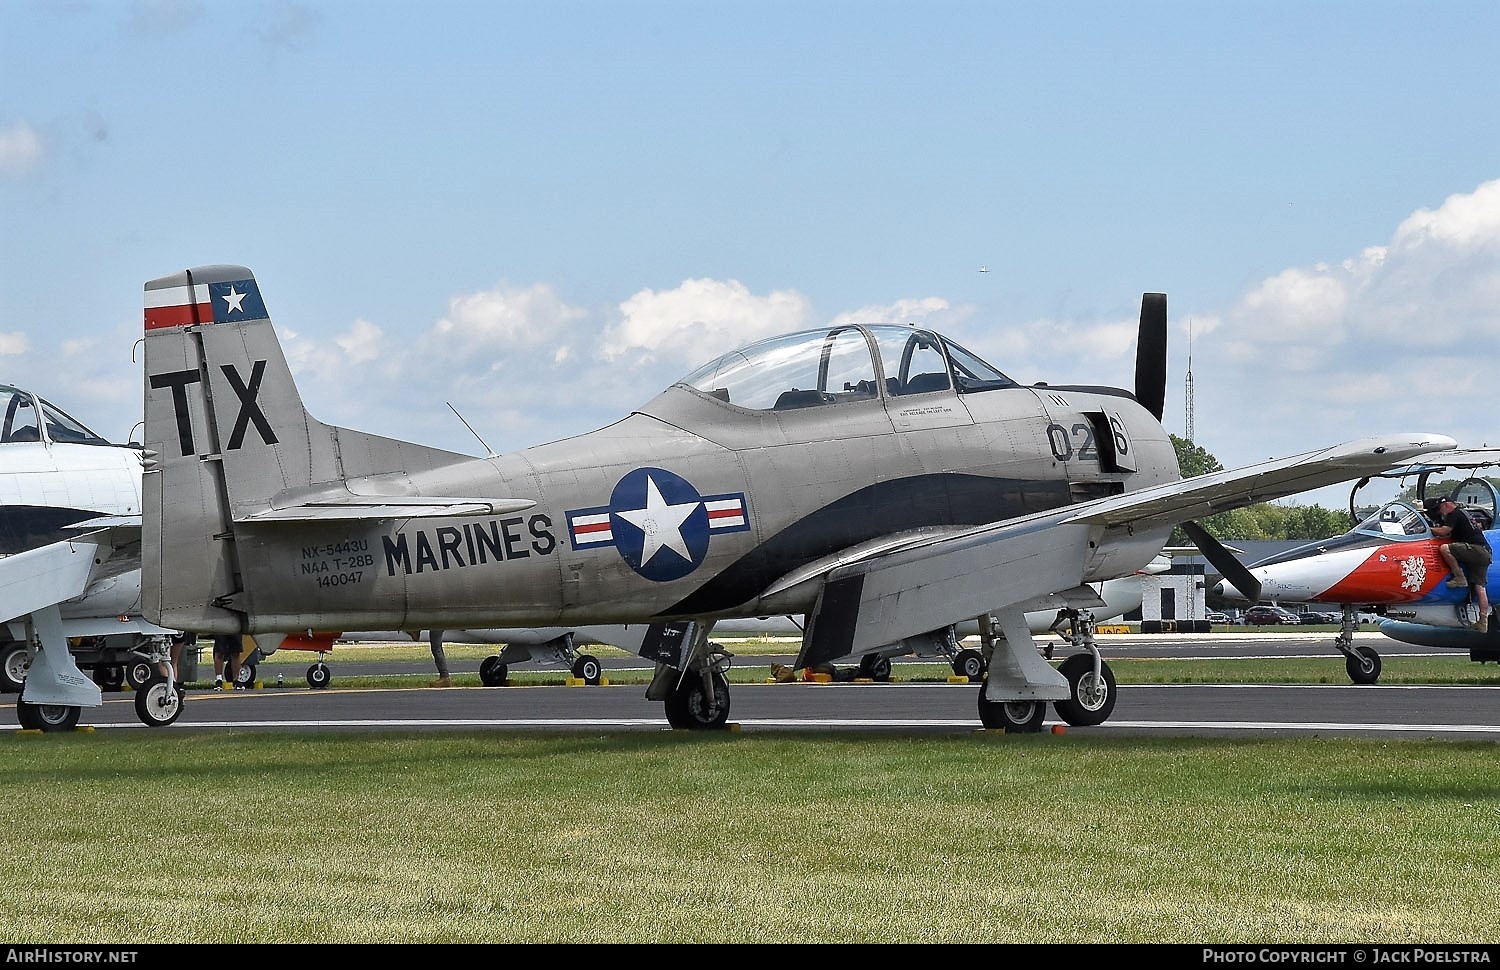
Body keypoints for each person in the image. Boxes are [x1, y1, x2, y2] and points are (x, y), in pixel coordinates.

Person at [1432, 495, 1492, 633]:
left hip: (1474, 549)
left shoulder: (1454, 513)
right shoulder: (1464, 513)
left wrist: (1429, 529)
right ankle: (1483, 622)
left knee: (1445, 548)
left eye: (1440, 509)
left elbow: (1444, 531)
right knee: (1480, 588)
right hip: (1485, 553)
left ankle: (1459, 577)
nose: (1441, 513)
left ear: (1446, 505)